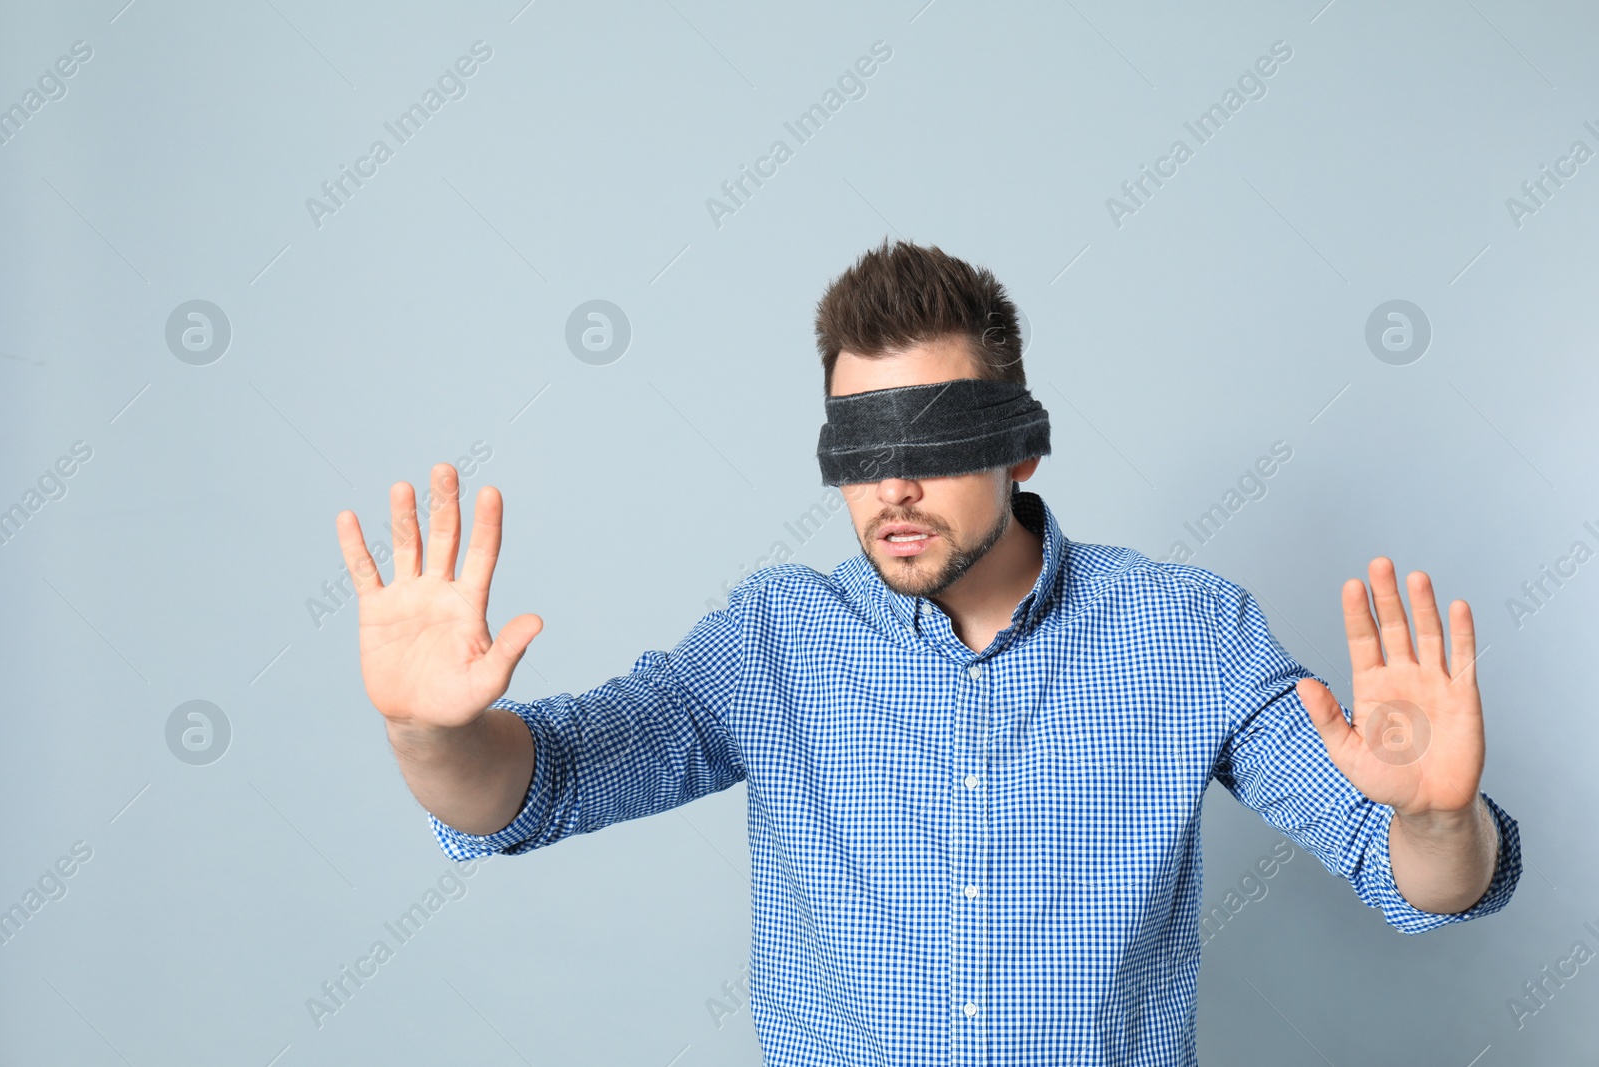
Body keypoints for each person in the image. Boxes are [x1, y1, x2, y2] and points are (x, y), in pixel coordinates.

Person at [334, 238, 1520, 1065]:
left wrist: (1431, 814)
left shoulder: (1188, 632)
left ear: (1021, 447)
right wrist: (428, 731)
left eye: (936, 440)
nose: (893, 484)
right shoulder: (772, 639)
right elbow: (535, 784)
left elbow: (1416, 870)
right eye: (861, 446)